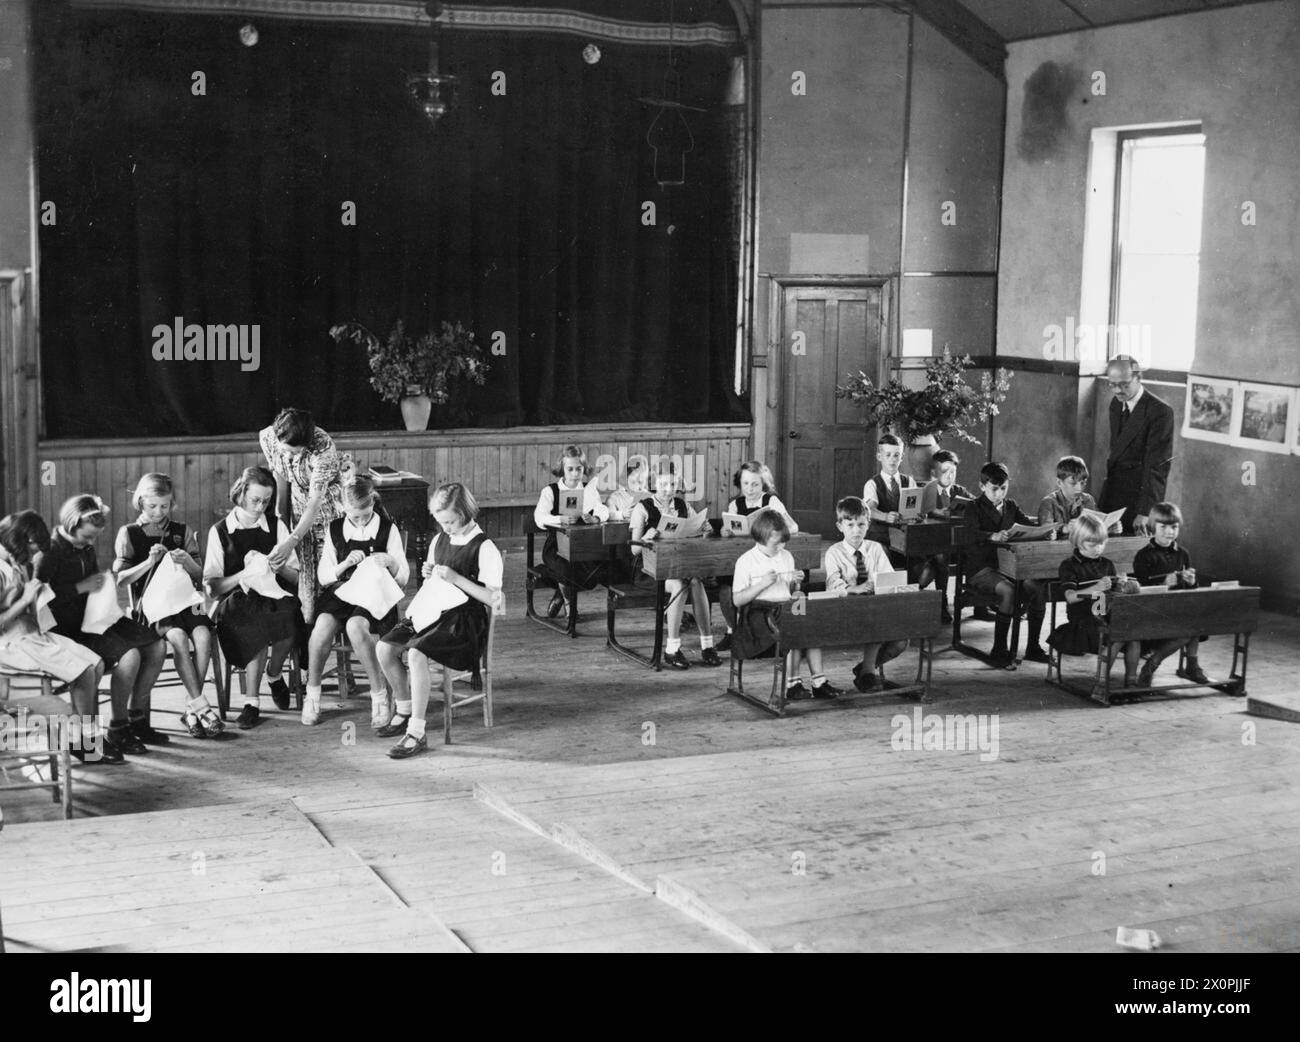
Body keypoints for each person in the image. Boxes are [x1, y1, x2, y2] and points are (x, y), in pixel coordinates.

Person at [379, 483, 503, 759]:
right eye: (441, 522)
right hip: (435, 609)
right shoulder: (440, 540)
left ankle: (417, 732)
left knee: (416, 653)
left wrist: (457, 578)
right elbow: (435, 581)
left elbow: (495, 600)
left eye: (450, 521)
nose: (445, 527)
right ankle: (405, 707)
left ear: (466, 513)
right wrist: (429, 573)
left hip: (465, 621)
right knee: (384, 648)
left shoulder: (485, 547)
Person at [38, 495, 167, 754]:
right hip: (68, 628)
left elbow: (92, 580)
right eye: (87, 538)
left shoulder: (84, 546)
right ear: (70, 525)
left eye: (95, 538)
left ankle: (134, 717)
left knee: (156, 646)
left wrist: (102, 588)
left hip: (93, 618)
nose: (91, 543)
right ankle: (117, 727)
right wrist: (81, 587)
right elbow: (39, 602)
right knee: (129, 657)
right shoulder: (50, 552)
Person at [113, 473, 223, 739]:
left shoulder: (181, 531)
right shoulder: (130, 533)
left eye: (164, 506)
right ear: (140, 503)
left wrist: (186, 561)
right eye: (152, 506)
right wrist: (147, 564)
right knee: (178, 638)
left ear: (172, 503)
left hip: (188, 601)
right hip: (154, 605)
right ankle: (201, 706)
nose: (158, 512)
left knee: (204, 635)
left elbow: (200, 578)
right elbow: (121, 580)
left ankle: (192, 709)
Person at [0, 511, 112, 763]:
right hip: (10, 643)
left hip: (31, 632)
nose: (32, 556)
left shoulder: (15, 562)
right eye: (31, 549)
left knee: (96, 664)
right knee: (83, 672)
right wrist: (27, 600)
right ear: (21, 540)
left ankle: (82, 736)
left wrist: (38, 597)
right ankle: (87, 742)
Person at [306, 475, 410, 728]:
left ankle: (379, 696)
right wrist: (344, 564)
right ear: (343, 508)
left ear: (373, 503)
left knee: (355, 626)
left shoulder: (388, 528)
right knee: (321, 628)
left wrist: (391, 562)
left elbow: (403, 578)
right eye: (355, 516)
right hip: (343, 590)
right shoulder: (335, 528)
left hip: (375, 592)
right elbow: (324, 576)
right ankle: (313, 695)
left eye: (366, 514)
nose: (361, 520)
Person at [204, 467, 301, 729]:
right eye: (255, 500)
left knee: (292, 612)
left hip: (272, 592)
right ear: (241, 493)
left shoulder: (276, 526)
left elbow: (295, 579)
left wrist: (280, 567)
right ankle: (252, 702)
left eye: (266, 501)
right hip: (236, 599)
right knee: (253, 620)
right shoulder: (221, 531)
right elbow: (212, 587)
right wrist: (244, 574)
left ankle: (274, 673)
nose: (260, 507)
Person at [731, 509, 838, 700]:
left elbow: (788, 590)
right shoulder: (746, 561)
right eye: (776, 543)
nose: (781, 546)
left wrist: (796, 580)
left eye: (783, 542)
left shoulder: (786, 556)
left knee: (812, 624)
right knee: (795, 627)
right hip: (758, 613)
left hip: (784, 607)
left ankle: (819, 682)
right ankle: (792, 684)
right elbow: (737, 600)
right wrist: (762, 584)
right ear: (761, 539)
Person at [258, 407, 348, 625]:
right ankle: (306, 636)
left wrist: (292, 539)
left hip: (327, 511)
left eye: (297, 452)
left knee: (325, 578)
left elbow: (315, 503)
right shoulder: (268, 437)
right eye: (287, 450)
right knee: (303, 584)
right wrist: (282, 521)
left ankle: (326, 629)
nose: (291, 456)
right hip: (298, 512)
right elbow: (280, 475)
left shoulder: (323, 448)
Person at [629, 460, 719, 669]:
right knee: (680, 584)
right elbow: (633, 550)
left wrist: (704, 530)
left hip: (678, 564)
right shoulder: (642, 508)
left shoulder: (682, 505)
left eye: (672, 485)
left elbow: (698, 528)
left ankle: (707, 645)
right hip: (649, 570)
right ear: (653, 483)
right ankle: (672, 648)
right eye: (663, 485)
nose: (668, 490)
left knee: (696, 582)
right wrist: (646, 538)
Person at [965, 462, 1050, 667]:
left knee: (1037, 587)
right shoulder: (973, 507)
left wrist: (1045, 530)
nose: (999, 493)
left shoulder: (1011, 505)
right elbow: (968, 535)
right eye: (994, 488)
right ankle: (999, 649)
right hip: (982, 569)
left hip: (1010, 567)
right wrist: (991, 536)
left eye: (1004, 488)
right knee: (1009, 591)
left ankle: (1033, 647)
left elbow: (1027, 526)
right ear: (982, 486)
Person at [1047, 515, 1142, 697]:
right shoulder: (1069, 565)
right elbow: (1071, 597)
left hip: (1104, 615)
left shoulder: (1107, 564)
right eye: (1092, 544)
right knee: (1118, 634)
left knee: (1133, 634)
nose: (1098, 549)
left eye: (1101, 543)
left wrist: (1122, 586)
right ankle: (1101, 682)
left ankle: (1131, 682)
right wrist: (1095, 588)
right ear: (1078, 541)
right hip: (1082, 622)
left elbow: (1112, 596)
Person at [822, 496, 907, 692]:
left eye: (861, 524)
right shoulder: (833, 552)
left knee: (902, 641)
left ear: (868, 525)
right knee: (875, 619)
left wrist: (880, 585)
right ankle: (868, 672)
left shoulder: (875, 548)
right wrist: (853, 589)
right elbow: (833, 582)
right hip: (845, 608)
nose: (856, 530)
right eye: (850, 524)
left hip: (874, 606)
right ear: (839, 526)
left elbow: (889, 577)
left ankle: (866, 669)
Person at [717, 461, 798, 651]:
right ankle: (732, 630)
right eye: (745, 484)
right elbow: (727, 526)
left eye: (755, 484)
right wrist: (725, 531)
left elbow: (793, 527)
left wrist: (773, 530)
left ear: (763, 484)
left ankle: (768, 632)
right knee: (724, 587)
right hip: (739, 556)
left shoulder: (771, 501)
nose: (750, 489)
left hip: (765, 555)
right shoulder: (735, 504)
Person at [1131, 501, 1210, 688]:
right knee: (1188, 630)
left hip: (1177, 608)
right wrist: (1163, 584)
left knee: (1194, 621)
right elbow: (1140, 591)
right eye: (1163, 527)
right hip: (1151, 611)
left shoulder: (1183, 554)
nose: (1169, 532)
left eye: (1174, 527)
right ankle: (1153, 664)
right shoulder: (1143, 556)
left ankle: (1189, 665)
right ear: (1152, 527)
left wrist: (1192, 582)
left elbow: (1191, 591)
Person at [1098, 355, 1174, 536]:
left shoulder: (1160, 412)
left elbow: (1157, 467)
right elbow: (1116, 454)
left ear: (1138, 378)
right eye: (1112, 384)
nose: (1117, 390)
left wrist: (1145, 511)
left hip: (1138, 500)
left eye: (1124, 384)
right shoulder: (1116, 404)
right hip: (1113, 493)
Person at [532, 445, 610, 618]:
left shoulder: (588, 490)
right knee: (565, 569)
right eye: (570, 469)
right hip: (557, 546)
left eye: (579, 469)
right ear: (562, 469)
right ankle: (570, 606)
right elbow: (539, 517)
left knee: (596, 571)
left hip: (582, 544)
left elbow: (602, 509)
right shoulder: (550, 491)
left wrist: (596, 518)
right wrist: (560, 519)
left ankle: (562, 591)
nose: (575, 474)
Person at [917, 449, 974, 623]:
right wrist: (935, 512)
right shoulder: (928, 490)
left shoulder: (959, 491)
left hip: (957, 543)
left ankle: (978, 602)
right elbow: (922, 513)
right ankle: (942, 604)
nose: (950, 476)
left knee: (978, 551)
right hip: (933, 546)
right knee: (942, 556)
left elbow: (977, 504)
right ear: (934, 473)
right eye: (945, 472)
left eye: (953, 472)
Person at [862, 434, 917, 565]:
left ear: (902, 457)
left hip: (904, 535)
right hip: (881, 535)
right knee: (883, 556)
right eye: (887, 455)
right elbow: (870, 509)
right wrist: (886, 516)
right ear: (879, 457)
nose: (892, 460)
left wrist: (917, 513)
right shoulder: (873, 484)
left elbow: (914, 507)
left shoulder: (909, 481)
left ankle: (913, 582)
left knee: (922, 562)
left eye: (896, 455)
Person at [1036, 456, 1119, 538]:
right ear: (1059, 482)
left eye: (1082, 483)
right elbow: (1045, 529)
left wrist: (1108, 529)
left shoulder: (1087, 499)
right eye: (1073, 483)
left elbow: (1095, 526)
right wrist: (1064, 529)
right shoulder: (1048, 502)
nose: (1079, 488)